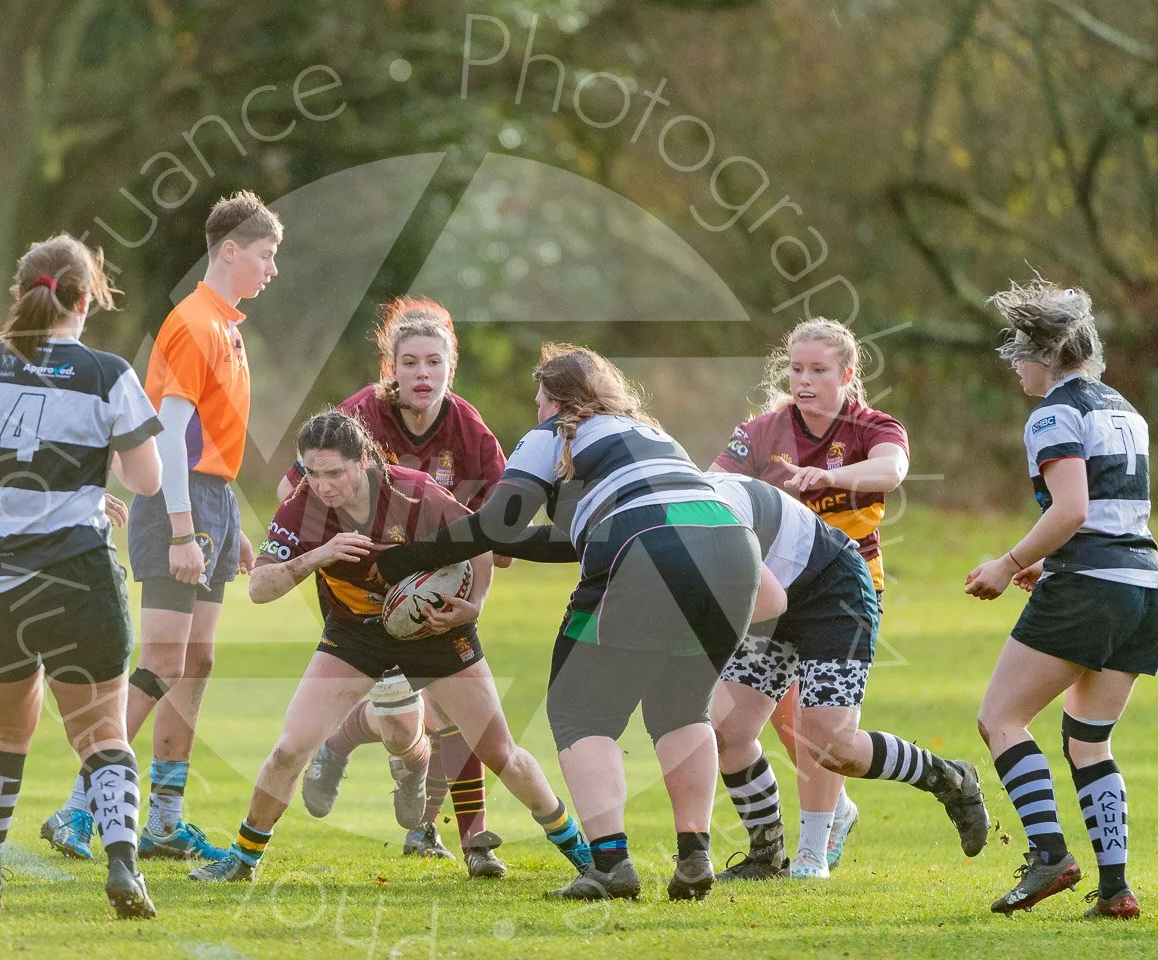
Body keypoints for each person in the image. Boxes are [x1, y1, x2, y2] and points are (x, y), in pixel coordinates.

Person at [378, 344, 788, 902]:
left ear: (550, 399)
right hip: (733, 552)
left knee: (578, 712)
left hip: (647, 550)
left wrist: (408, 557)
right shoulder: (651, 434)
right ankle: (694, 856)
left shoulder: (553, 434)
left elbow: (502, 520)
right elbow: (573, 538)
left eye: (538, 398)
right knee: (681, 707)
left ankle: (611, 864)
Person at [187, 410, 591, 885]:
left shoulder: (411, 490)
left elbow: (480, 538)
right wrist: (320, 554)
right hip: (354, 634)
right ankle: (243, 859)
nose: (324, 485)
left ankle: (583, 854)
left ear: (363, 461)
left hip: (433, 628)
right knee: (289, 748)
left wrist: (474, 605)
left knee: (500, 752)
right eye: (313, 473)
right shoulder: (303, 507)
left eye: (335, 472)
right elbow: (259, 587)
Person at [0, 234, 165, 916]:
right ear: (85, 300)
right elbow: (147, 478)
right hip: (75, 574)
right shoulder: (107, 373)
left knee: (2, 731)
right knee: (102, 732)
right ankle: (123, 870)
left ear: (22, 292)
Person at [41, 191, 280, 864]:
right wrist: (183, 530)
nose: (271, 269)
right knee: (162, 660)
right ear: (229, 251)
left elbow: (210, 440)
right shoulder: (193, 323)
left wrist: (224, 523)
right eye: (265, 256)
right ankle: (78, 809)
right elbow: (169, 437)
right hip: (181, 505)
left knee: (195, 662)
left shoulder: (227, 325)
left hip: (210, 501)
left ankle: (165, 820)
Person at [281, 297, 512, 877]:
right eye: (409, 363)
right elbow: (299, 488)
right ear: (391, 367)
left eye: (434, 362)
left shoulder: (467, 427)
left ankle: (466, 837)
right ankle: (337, 745)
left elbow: (501, 515)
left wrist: (490, 554)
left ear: (450, 365)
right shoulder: (360, 415)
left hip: (439, 586)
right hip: (358, 592)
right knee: (406, 713)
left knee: (451, 707)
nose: (422, 374)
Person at [967, 280, 1158, 919]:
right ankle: (1115, 889)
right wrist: (1051, 559)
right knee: (1089, 738)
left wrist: (1010, 562)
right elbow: (1112, 512)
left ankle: (1049, 853)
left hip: (1091, 588)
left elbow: (1075, 507)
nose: (1016, 368)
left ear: (1046, 353)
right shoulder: (1123, 408)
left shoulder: (1054, 413)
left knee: (1000, 718)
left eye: (1019, 354)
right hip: (1146, 587)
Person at [703, 471, 990, 879]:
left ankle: (950, 778)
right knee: (726, 729)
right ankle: (765, 854)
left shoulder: (705, 508)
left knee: (832, 746)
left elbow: (766, 600)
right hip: (770, 596)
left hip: (832, 591)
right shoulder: (662, 512)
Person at [709, 317, 910, 874]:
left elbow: (892, 471)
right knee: (748, 723)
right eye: (796, 369)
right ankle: (787, 836)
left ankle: (812, 851)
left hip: (844, 588)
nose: (805, 380)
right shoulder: (762, 430)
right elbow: (714, 481)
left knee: (817, 727)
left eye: (818, 370)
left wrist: (825, 480)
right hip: (772, 589)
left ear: (846, 374)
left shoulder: (872, 427)